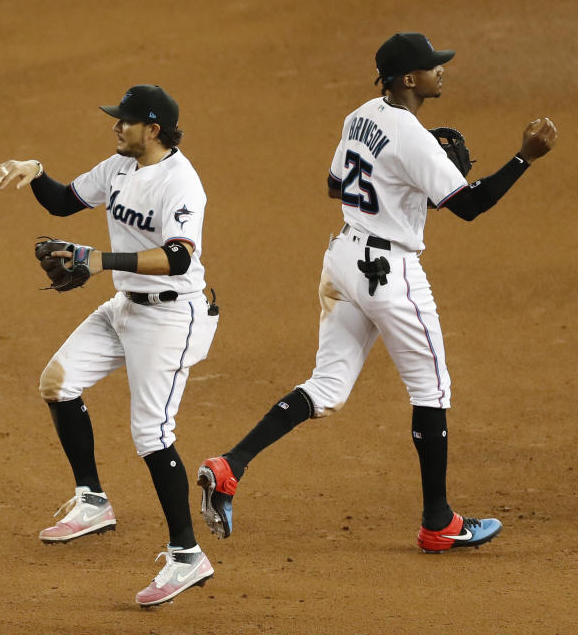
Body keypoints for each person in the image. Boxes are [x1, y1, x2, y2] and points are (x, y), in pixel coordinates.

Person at [197, 33, 557, 552]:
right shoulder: (414, 139)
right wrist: (524, 158)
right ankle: (439, 523)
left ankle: (230, 465)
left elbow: (334, 184)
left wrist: (406, 187)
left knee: (326, 386)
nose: (441, 71)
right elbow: (471, 206)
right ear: (409, 79)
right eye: (433, 66)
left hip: (344, 261)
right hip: (391, 274)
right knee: (432, 390)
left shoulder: (361, 114)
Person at [0, 84, 220, 606]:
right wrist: (35, 172)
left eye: (126, 121)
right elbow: (64, 202)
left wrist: (101, 262)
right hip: (126, 307)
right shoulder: (119, 167)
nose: (116, 127)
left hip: (170, 316)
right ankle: (92, 501)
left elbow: (180, 259)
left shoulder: (180, 183)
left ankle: (187, 555)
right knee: (58, 382)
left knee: (152, 434)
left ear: (153, 129)